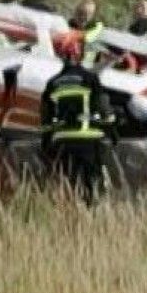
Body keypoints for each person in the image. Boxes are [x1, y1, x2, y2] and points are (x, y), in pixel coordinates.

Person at [39, 40, 111, 201]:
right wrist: (112, 131)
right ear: (81, 57)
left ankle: (72, 218)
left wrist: (45, 144)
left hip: (63, 142)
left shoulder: (52, 83)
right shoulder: (90, 78)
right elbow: (104, 108)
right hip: (89, 140)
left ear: (62, 57)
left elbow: (45, 118)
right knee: (92, 187)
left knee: (69, 186)